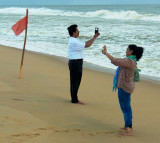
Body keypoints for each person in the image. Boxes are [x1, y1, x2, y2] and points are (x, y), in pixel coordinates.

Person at [102, 44, 144, 136]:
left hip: (125, 87)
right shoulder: (130, 60)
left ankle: (129, 129)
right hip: (126, 86)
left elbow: (116, 61)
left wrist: (106, 53)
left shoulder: (130, 61)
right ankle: (127, 125)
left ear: (131, 51)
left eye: (127, 49)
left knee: (126, 108)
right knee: (125, 107)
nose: (126, 51)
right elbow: (118, 62)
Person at [67, 24, 100, 104]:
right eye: (77, 30)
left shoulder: (74, 40)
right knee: (75, 81)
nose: (79, 32)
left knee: (74, 81)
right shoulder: (74, 41)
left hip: (75, 62)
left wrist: (94, 37)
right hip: (75, 62)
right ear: (74, 32)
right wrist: (94, 37)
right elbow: (87, 45)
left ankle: (74, 98)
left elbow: (85, 43)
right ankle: (74, 100)